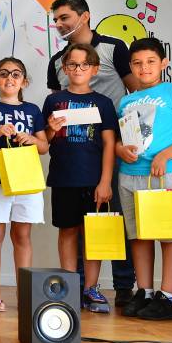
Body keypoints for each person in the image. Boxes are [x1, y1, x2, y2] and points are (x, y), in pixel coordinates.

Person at [48, 0, 137, 308]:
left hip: (112, 149)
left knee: (112, 218)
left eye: (64, 18)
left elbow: (135, 92)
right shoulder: (56, 61)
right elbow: (55, 109)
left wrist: (133, 139)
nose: (59, 24)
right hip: (72, 156)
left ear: (84, 16)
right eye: (56, 20)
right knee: (77, 224)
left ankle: (125, 286)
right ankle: (83, 287)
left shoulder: (114, 47)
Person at [116, 37, 172, 320]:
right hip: (130, 175)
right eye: (138, 63)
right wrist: (120, 150)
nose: (144, 68)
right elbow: (120, 138)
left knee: (168, 235)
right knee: (139, 237)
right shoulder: (126, 100)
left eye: (151, 62)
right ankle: (145, 292)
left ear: (163, 63)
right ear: (130, 66)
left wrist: (165, 156)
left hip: (164, 174)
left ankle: (169, 298)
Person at [42, 43, 118, 313]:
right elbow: (44, 142)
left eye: (84, 65)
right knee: (68, 231)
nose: (78, 69)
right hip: (64, 177)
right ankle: (69, 286)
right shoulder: (53, 101)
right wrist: (50, 130)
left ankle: (91, 288)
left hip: (94, 179)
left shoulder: (104, 103)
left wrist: (105, 181)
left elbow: (110, 143)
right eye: (73, 64)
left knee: (94, 235)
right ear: (64, 68)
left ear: (94, 70)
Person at [0, 57, 49, 312]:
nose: (9, 78)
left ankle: (24, 291)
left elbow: (44, 147)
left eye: (16, 74)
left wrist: (30, 139)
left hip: (26, 181)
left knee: (22, 236)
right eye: (3, 74)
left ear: (24, 81)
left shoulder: (33, 110)